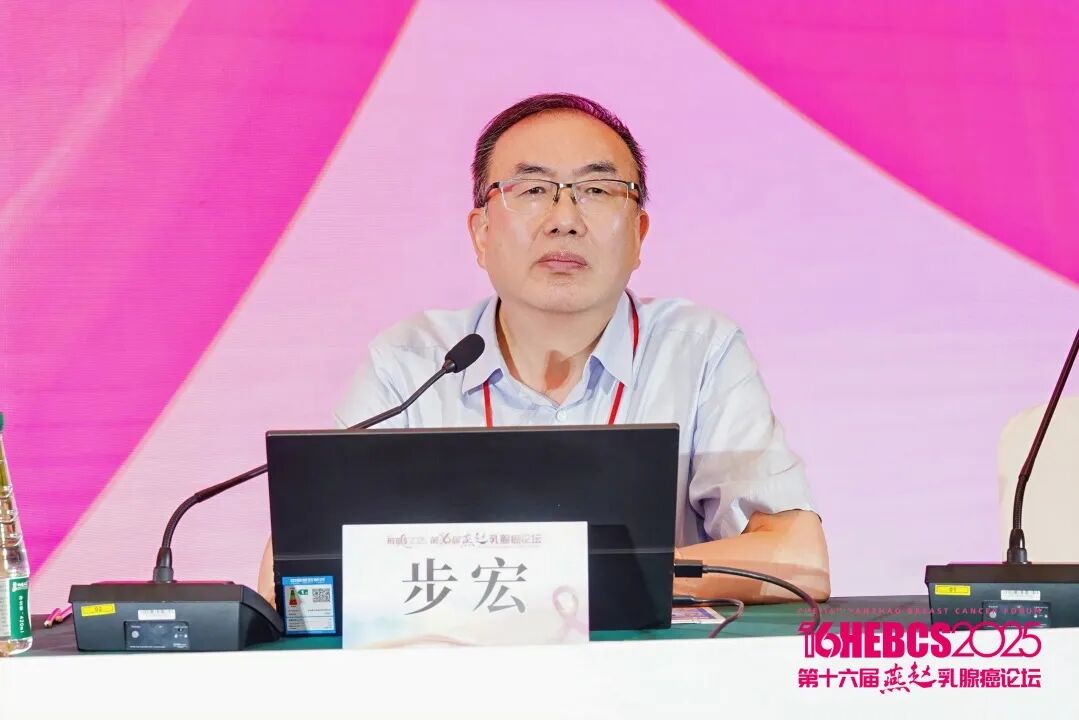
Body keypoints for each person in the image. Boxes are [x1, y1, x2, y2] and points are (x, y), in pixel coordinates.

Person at [258, 93, 829, 606]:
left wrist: (577, 578)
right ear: (481, 234)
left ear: (639, 236)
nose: (564, 220)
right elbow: (294, 575)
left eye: (597, 190)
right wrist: (569, 579)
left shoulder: (698, 351)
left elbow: (801, 559)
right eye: (532, 190)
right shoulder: (411, 363)